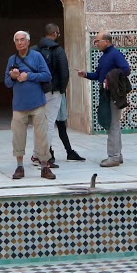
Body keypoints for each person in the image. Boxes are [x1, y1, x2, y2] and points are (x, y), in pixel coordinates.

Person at [4, 30, 55, 180]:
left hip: (37, 103)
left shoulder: (37, 56)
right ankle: (19, 166)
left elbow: (47, 75)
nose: (20, 43)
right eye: (17, 40)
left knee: (42, 136)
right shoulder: (12, 59)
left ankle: (45, 167)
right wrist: (13, 77)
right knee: (18, 137)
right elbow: (7, 83)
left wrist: (29, 76)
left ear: (28, 42)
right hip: (19, 105)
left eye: (22, 40)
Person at [81, 31, 132, 167]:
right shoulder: (104, 57)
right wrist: (85, 74)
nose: (96, 43)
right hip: (105, 94)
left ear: (106, 41)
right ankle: (117, 155)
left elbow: (126, 69)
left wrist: (111, 77)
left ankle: (113, 157)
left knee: (112, 125)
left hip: (113, 94)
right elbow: (98, 75)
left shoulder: (115, 54)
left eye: (98, 41)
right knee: (114, 124)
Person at [35, 23, 83, 166]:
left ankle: (38, 155)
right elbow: (64, 72)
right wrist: (61, 89)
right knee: (50, 124)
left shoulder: (35, 50)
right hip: (54, 91)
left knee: (39, 124)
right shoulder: (58, 50)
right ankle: (45, 156)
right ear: (55, 33)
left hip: (39, 92)